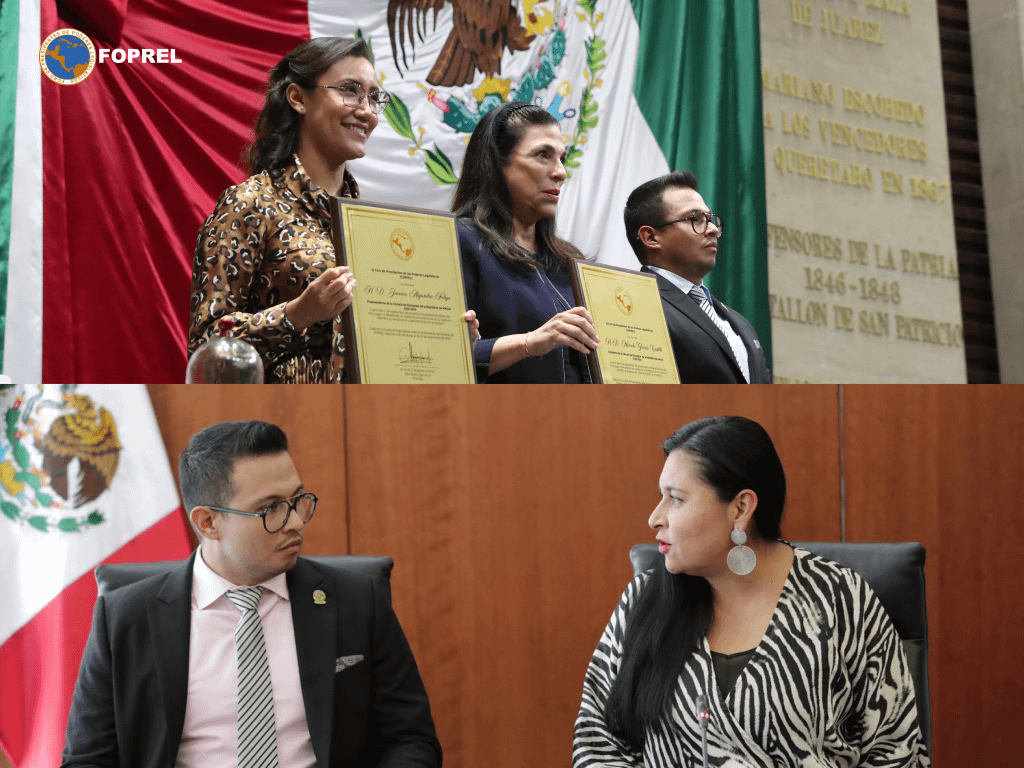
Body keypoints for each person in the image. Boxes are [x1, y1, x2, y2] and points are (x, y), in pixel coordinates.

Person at [61, 420, 442, 768]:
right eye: (270, 509)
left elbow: (410, 739)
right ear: (208, 522)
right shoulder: (124, 617)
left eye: (296, 500)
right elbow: (88, 758)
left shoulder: (358, 600)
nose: (294, 522)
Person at [573, 416, 930, 767]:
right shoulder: (643, 600)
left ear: (740, 508)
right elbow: (598, 743)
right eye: (660, 497)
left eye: (676, 499)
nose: (655, 517)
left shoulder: (839, 598)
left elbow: (895, 748)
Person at [187, 37, 478, 382]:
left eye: (373, 97)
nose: (367, 111)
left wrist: (444, 339)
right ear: (298, 98)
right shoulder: (249, 203)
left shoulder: (370, 226)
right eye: (350, 90)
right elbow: (205, 348)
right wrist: (297, 314)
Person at [453, 101, 600, 383]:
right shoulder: (460, 241)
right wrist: (530, 342)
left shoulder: (568, 259)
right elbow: (441, 356)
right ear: (497, 165)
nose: (560, 172)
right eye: (543, 155)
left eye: (562, 158)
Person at [623, 172, 771, 383]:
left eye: (710, 220)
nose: (712, 230)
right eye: (695, 220)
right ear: (651, 237)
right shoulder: (634, 308)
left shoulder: (740, 323)